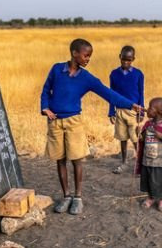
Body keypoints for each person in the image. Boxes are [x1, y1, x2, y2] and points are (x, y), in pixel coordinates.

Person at [41, 38, 143, 215]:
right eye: (86, 55)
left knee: (76, 159)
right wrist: (45, 107)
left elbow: (109, 94)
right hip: (55, 122)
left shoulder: (87, 78)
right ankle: (66, 196)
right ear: (74, 53)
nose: (88, 59)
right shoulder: (57, 69)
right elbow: (45, 89)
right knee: (60, 160)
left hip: (74, 122)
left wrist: (130, 105)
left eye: (90, 56)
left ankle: (78, 197)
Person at [108, 45, 145, 174]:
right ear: (120, 57)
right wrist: (111, 111)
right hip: (119, 111)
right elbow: (111, 94)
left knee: (135, 139)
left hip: (133, 112)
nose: (125, 62)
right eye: (123, 59)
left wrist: (141, 111)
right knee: (122, 138)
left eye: (129, 60)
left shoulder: (138, 74)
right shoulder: (114, 74)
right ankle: (124, 163)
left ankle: (141, 165)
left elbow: (141, 93)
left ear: (133, 59)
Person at [135, 97, 162, 213]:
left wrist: (161, 136)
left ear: (159, 112)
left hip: (159, 161)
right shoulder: (147, 124)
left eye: (150, 108)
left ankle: (161, 199)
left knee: (159, 181)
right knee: (148, 179)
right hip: (147, 159)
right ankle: (151, 198)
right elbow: (142, 139)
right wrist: (138, 133)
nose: (147, 110)